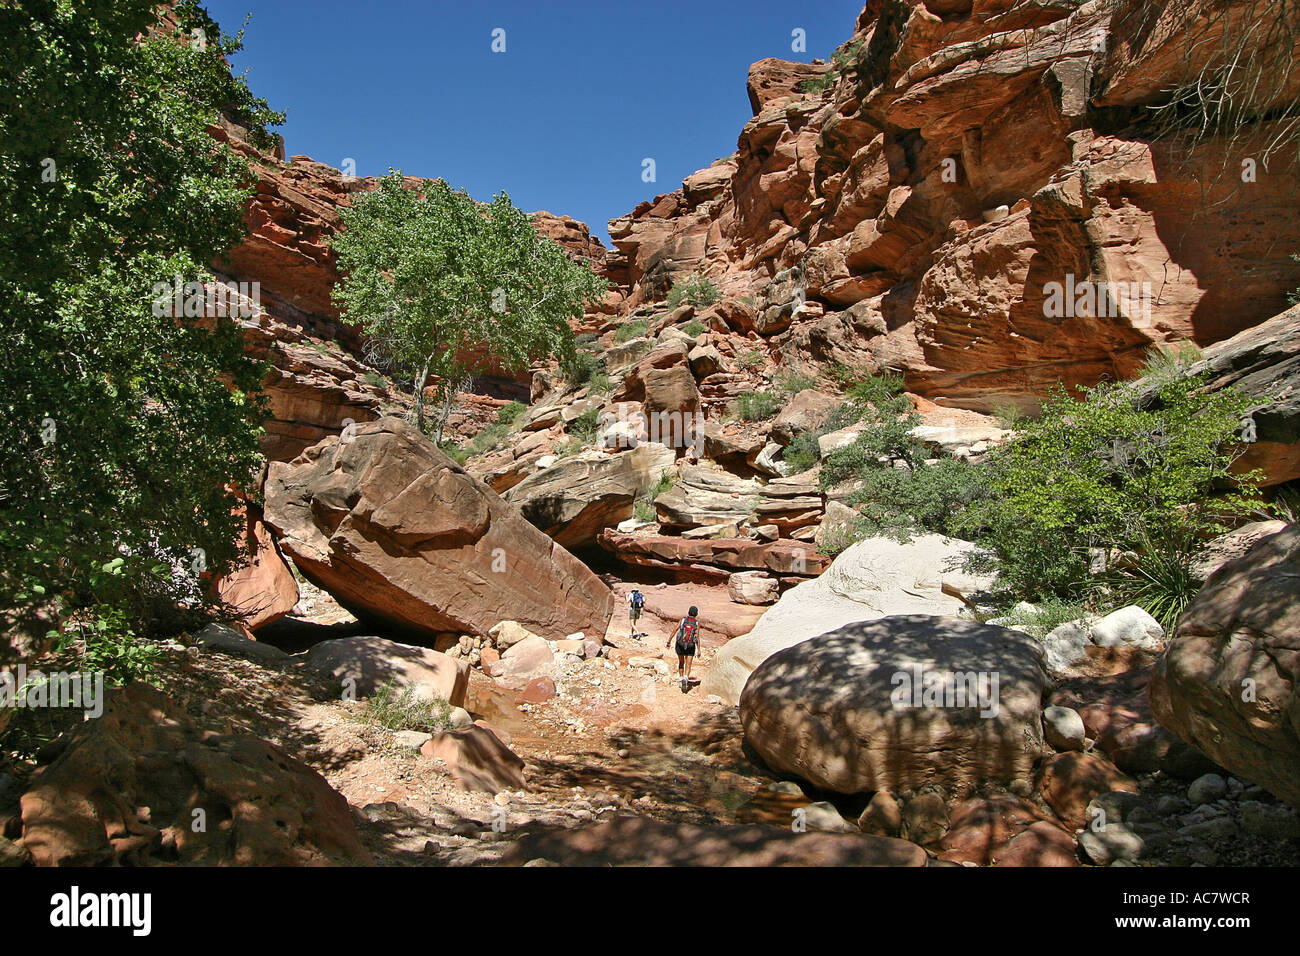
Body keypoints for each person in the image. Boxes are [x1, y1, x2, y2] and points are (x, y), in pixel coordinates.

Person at [667, 605, 701, 692]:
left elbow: (675, 630)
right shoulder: (696, 623)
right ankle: (686, 677)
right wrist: (699, 649)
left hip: (680, 644)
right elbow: (697, 636)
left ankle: (681, 679)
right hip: (690, 645)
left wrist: (669, 641)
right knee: (688, 664)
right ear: (696, 614)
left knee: (681, 662)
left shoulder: (683, 620)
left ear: (688, 612)